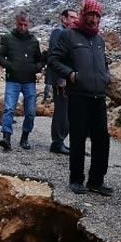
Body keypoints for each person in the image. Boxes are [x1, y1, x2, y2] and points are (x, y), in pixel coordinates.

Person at [48, 0, 113, 196]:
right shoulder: (69, 36)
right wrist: (70, 74)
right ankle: (76, 179)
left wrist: (106, 76)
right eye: (90, 15)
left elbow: (102, 62)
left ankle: (96, 180)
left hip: (98, 96)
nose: (94, 19)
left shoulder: (99, 40)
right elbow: (53, 59)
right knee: (77, 139)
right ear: (83, 15)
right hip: (78, 95)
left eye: (97, 16)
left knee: (102, 139)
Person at [0, 10, 44, 151]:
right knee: (9, 108)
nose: (23, 27)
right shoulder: (8, 38)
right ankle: (6, 137)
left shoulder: (33, 41)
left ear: (29, 25)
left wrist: (36, 68)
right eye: (20, 24)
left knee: (30, 111)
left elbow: (39, 60)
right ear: (16, 23)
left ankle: (25, 137)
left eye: (25, 25)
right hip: (13, 80)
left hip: (29, 81)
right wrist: (10, 66)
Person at [46, 9, 78, 155]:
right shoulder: (58, 32)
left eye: (76, 17)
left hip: (68, 79)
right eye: (71, 17)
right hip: (61, 80)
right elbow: (54, 56)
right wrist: (60, 79)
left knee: (68, 111)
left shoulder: (70, 33)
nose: (74, 20)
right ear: (63, 18)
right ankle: (57, 142)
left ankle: (61, 141)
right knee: (61, 111)